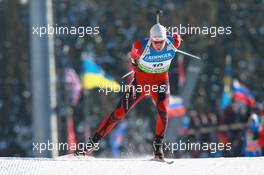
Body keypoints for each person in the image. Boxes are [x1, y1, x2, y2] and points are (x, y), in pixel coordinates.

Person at [75, 22, 181, 160]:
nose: (159, 45)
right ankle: (90, 145)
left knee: (163, 111)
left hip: (161, 83)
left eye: (161, 42)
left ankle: (158, 148)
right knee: (119, 113)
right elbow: (133, 63)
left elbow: (176, 38)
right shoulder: (139, 46)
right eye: (155, 42)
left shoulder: (174, 43)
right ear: (150, 39)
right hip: (141, 84)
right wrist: (140, 70)